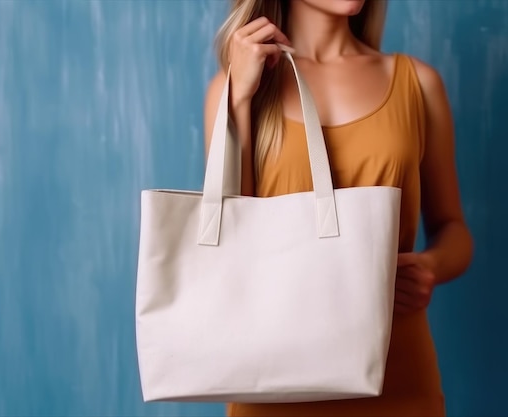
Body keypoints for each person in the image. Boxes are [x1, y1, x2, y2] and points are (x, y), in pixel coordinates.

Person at [203, 1, 473, 416]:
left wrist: (431, 267)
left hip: (397, 373)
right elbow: (231, 239)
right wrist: (239, 97)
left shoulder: (418, 83)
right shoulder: (236, 86)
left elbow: (453, 228)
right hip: (276, 378)